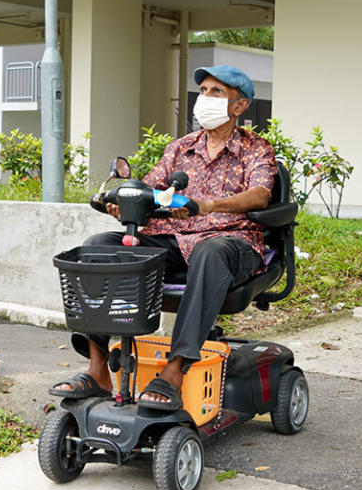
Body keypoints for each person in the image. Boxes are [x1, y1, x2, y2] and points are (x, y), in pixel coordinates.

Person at [51, 65, 277, 410]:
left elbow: (260, 195)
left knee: (210, 251)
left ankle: (175, 369)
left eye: (216, 92)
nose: (205, 98)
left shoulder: (256, 149)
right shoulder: (180, 148)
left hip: (230, 239)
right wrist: (125, 202)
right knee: (97, 247)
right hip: (172, 239)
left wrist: (207, 205)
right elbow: (150, 189)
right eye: (202, 91)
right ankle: (98, 370)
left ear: (239, 106)